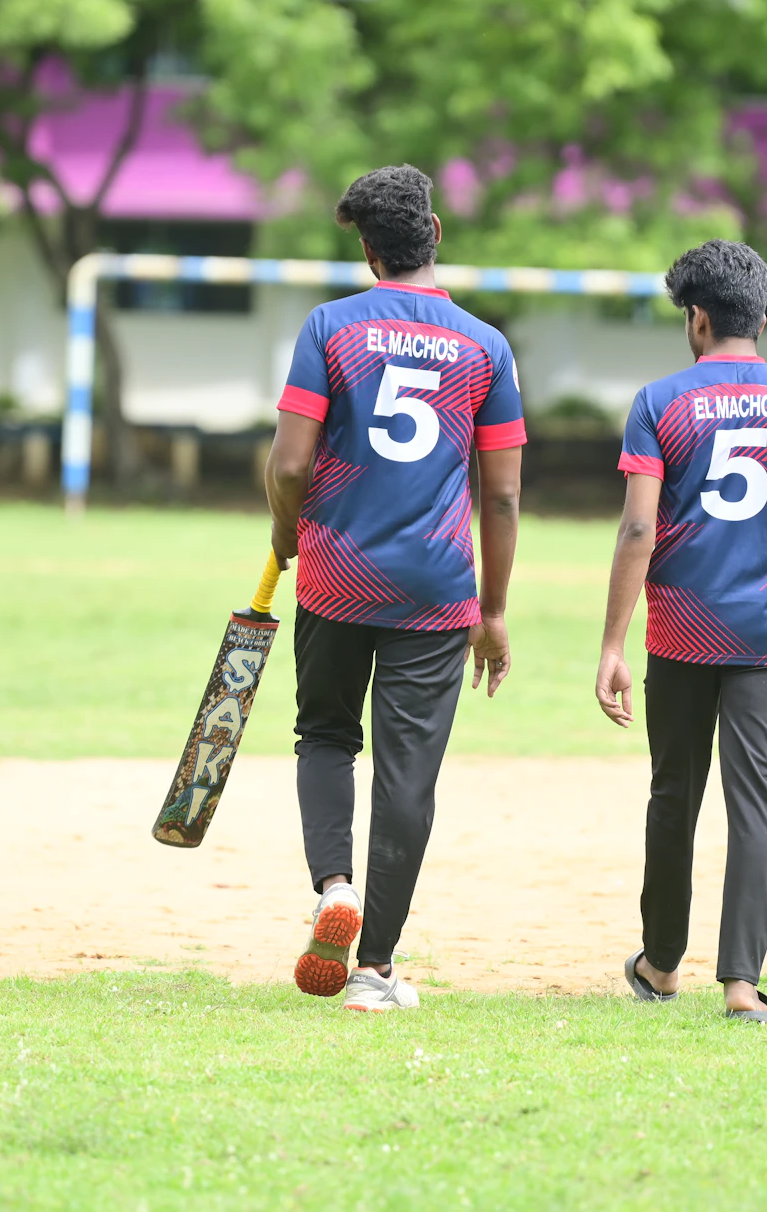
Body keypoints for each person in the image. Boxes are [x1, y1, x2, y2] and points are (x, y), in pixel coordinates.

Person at [264, 164, 525, 1013]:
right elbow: (504, 493)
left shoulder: (329, 327)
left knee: (325, 733)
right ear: (436, 234)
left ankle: (334, 886)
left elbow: (292, 461)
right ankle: (374, 968)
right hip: (437, 587)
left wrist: (284, 534)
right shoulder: (485, 346)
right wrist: (492, 610)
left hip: (337, 572)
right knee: (408, 773)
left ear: (368, 249)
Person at [594, 239, 767, 1021]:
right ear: (762, 318)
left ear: (697, 319)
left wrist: (612, 641)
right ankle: (743, 984)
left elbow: (639, 530)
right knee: (756, 802)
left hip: (679, 631)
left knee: (673, 793)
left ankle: (663, 963)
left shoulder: (659, 403)